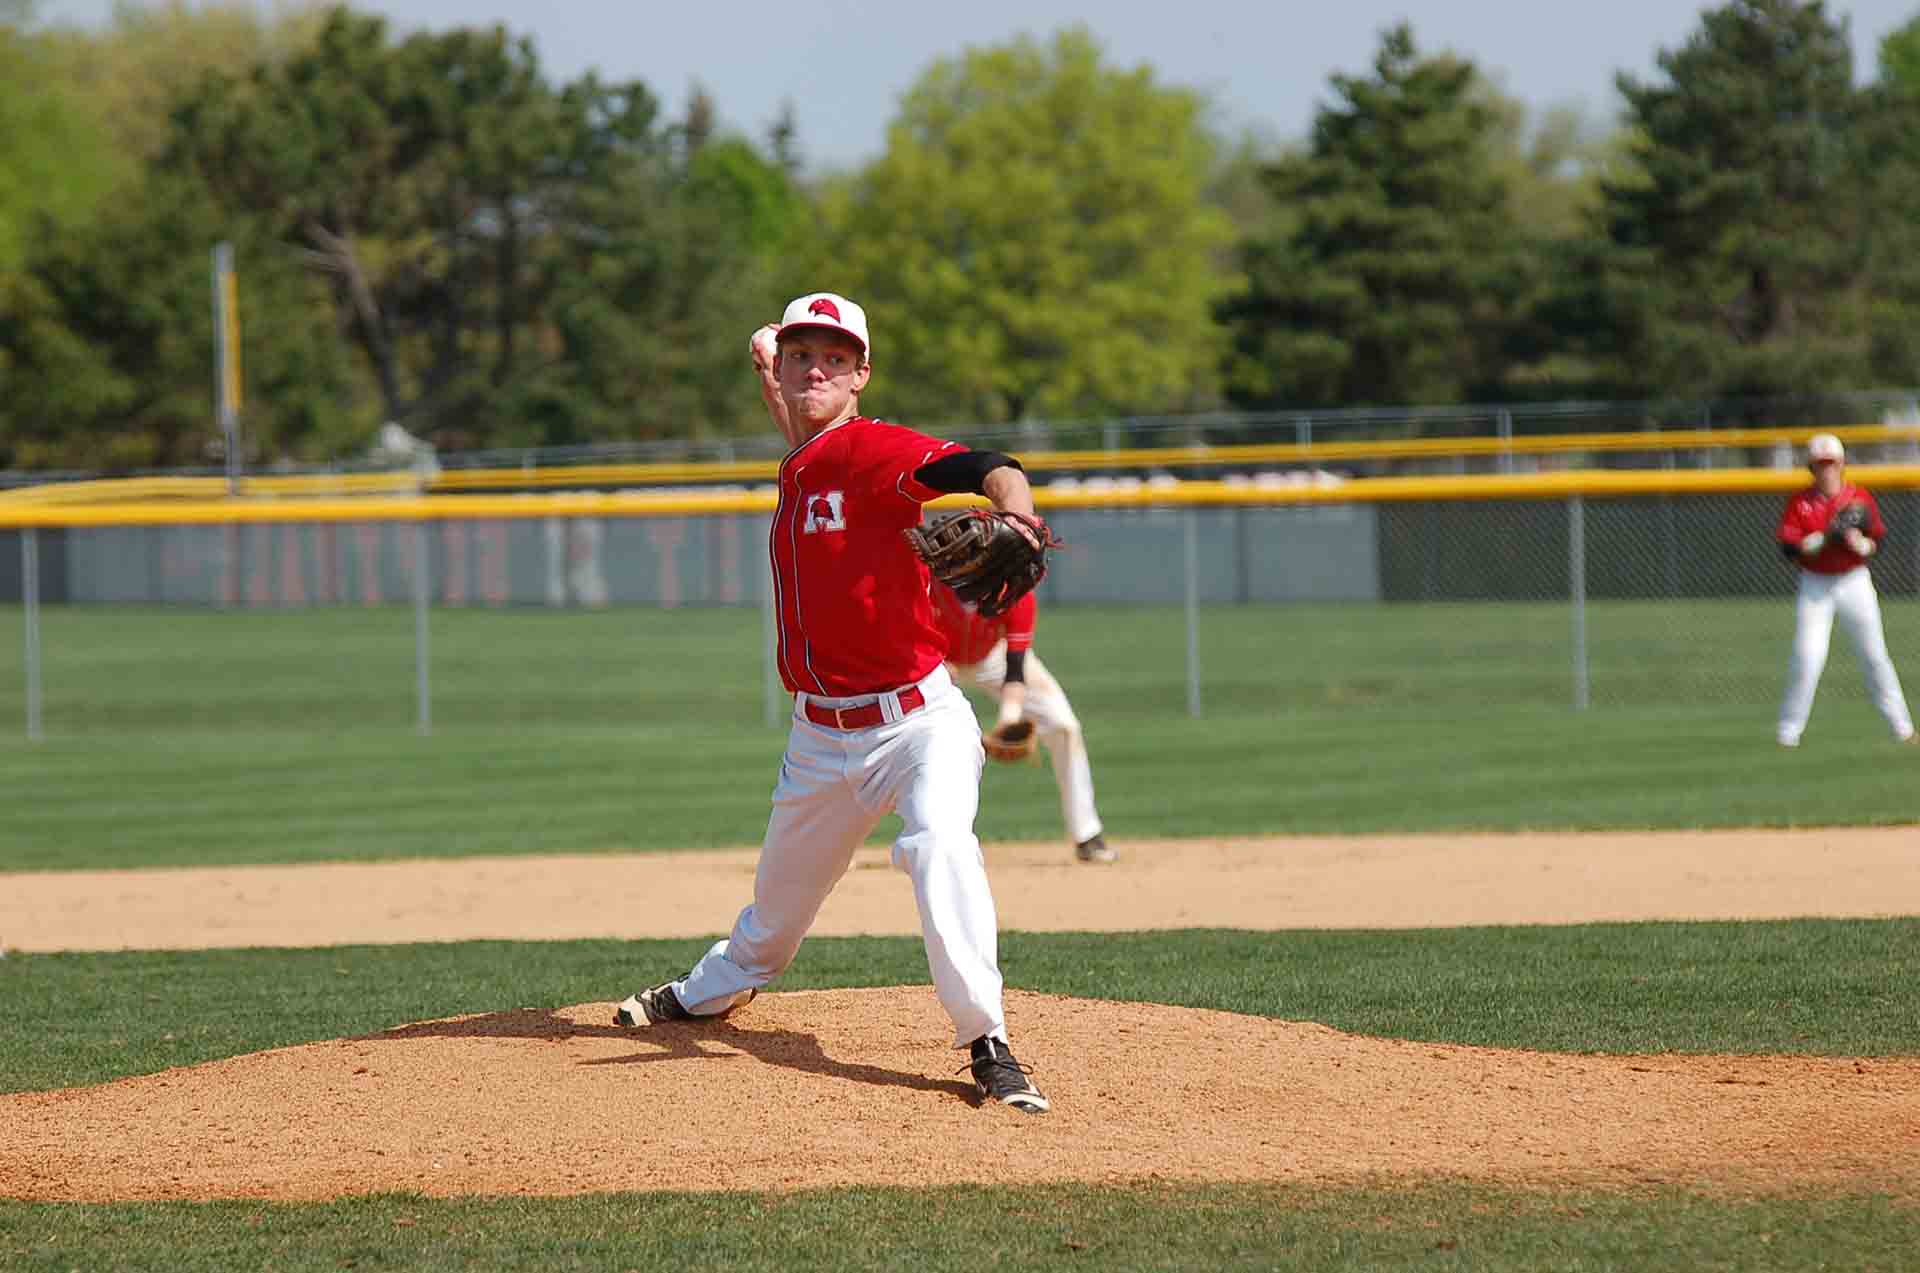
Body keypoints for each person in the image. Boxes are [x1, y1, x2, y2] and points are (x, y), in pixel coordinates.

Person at [613, 292, 1053, 1114]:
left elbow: (986, 463)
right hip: (820, 739)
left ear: (862, 377)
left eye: (836, 358)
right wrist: (774, 381)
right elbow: (812, 442)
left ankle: (987, 1042)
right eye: (801, 355)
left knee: (939, 844)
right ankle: (709, 991)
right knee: (774, 921)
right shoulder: (810, 458)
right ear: (781, 370)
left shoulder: (877, 448)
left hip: (918, 724)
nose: (818, 368)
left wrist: (1017, 514)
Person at [929, 579, 1115, 863]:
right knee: (896, 733)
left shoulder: (1012, 587)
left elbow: (1015, 671)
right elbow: (910, 633)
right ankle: (851, 839)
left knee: (1063, 726)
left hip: (994, 658)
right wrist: (937, 664)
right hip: (937, 662)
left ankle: (1086, 835)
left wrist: (1008, 721)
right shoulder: (928, 583)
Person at [1774, 432, 1916, 748]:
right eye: (1820, 464)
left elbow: (1878, 540)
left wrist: (1862, 544)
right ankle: (1788, 733)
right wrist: (1812, 543)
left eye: (1831, 464)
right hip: (1815, 584)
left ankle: (1903, 728)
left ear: (1841, 464)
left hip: (1854, 581)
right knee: (1808, 657)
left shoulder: (1859, 498)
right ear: (1811, 467)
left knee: (1875, 655)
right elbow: (1787, 549)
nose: (1826, 470)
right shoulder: (1801, 502)